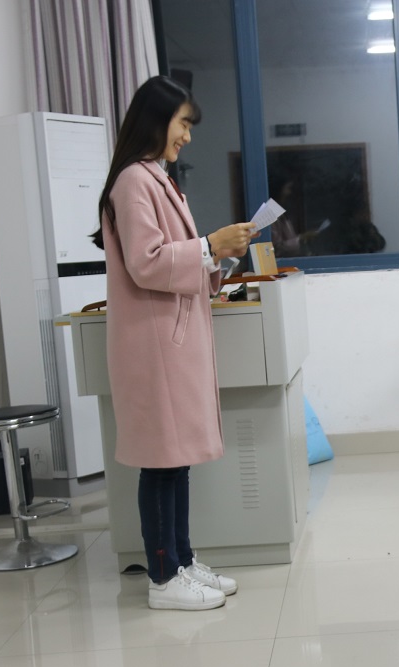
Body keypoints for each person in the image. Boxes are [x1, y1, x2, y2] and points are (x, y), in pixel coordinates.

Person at [92, 75, 257, 611]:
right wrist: (208, 245)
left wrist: (219, 252)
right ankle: (164, 578)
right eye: (183, 123)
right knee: (161, 463)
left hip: (169, 342)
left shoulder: (155, 179)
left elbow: (177, 258)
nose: (187, 135)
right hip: (154, 346)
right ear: (156, 119)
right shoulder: (133, 182)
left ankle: (181, 561)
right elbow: (146, 263)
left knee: (175, 460)